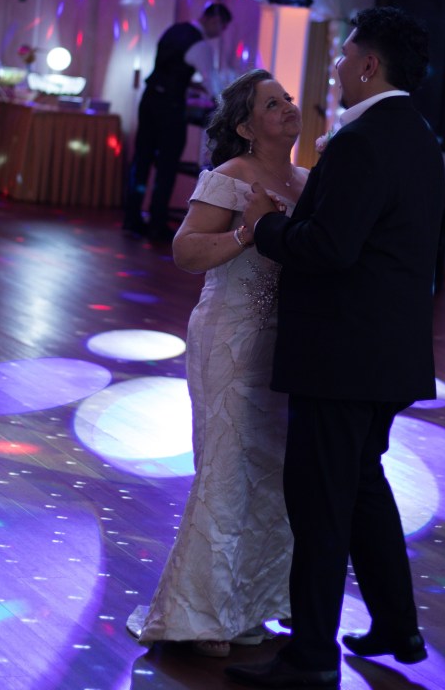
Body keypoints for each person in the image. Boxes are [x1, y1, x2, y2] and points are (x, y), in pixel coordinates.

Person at [227, 8, 445, 690]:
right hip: (389, 351)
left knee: (319, 504)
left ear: (369, 65)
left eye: (346, 55)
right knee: (360, 487)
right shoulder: (417, 134)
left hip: (343, 354)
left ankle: (311, 657)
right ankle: (398, 626)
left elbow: (329, 247)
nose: (338, 66)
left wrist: (266, 226)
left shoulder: (362, 140)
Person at [127, 68, 307, 657]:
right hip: (230, 338)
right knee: (226, 472)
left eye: (288, 99)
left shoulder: (307, 181)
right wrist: (246, 235)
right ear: (245, 127)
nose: (288, 107)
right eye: (272, 104)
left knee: (270, 477)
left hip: (284, 348)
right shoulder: (230, 177)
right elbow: (184, 251)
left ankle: (248, 605)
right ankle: (201, 615)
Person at [122, 1, 232, 241]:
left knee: (142, 159)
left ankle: (131, 218)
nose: (220, 33)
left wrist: (188, 85)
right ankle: (157, 222)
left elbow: (169, 68)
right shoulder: (200, 45)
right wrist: (226, 106)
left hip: (149, 100)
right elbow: (211, 83)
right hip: (170, 107)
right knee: (167, 165)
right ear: (215, 20)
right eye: (222, 27)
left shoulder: (174, 30)